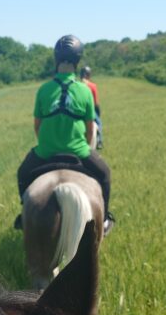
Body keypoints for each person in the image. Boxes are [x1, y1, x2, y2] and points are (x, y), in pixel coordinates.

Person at [15, 34, 114, 234]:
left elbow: (37, 126)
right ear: (77, 60)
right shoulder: (85, 90)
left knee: (22, 173)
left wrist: (48, 143)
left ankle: (24, 216)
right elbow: (89, 129)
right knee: (104, 174)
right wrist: (82, 147)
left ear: (56, 59)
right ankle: (104, 219)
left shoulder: (43, 90)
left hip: (45, 151)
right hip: (78, 151)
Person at [80, 65, 103, 148]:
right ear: (88, 74)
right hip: (90, 110)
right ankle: (99, 141)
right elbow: (96, 103)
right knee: (99, 122)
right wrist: (98, 112)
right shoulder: (92, 86)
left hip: (79, 109)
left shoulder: (77, 85)